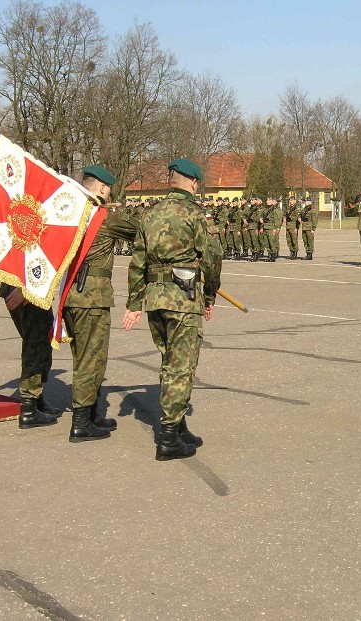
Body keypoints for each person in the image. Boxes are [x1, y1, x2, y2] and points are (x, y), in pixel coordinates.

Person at [123, 158, 222, 461]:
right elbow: (212, 258)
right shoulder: (196, 214)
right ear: (193, 182)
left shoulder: (149, 214)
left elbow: (137, 262)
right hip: (182, 299)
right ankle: (168, 439)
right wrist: (210, 295)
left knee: (169, 361)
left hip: (155, 299)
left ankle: (178, 426)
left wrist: (133, 303)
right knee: (182, 367)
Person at [64, 165, 138, 441]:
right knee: (90, 359)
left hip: (70, 295)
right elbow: (140, 231)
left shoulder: (67, 211)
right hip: (91, 298)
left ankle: (92, 413)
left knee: (85, 356)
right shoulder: (103, 217)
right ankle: (80, 423)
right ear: (104, 189)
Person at [0, 281, 63, 429]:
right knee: (36, 345)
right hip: (26, 287)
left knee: (37, 342)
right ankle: (29, 409)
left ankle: (36, 399)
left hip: (17, 287)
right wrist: (28, 289)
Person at [298, 195, 318, 260]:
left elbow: (314, 220)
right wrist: (299, 218)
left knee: (310, 241)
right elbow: (300, 215)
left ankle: (310, 254)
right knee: (305, 241)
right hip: (304, 227)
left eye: (306, 201)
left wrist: (313, 229)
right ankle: (307, 253)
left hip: (309, 228)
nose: (305, 202)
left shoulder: (312, 210)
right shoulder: (304, 209)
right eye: (305, 201)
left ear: (310, 202)